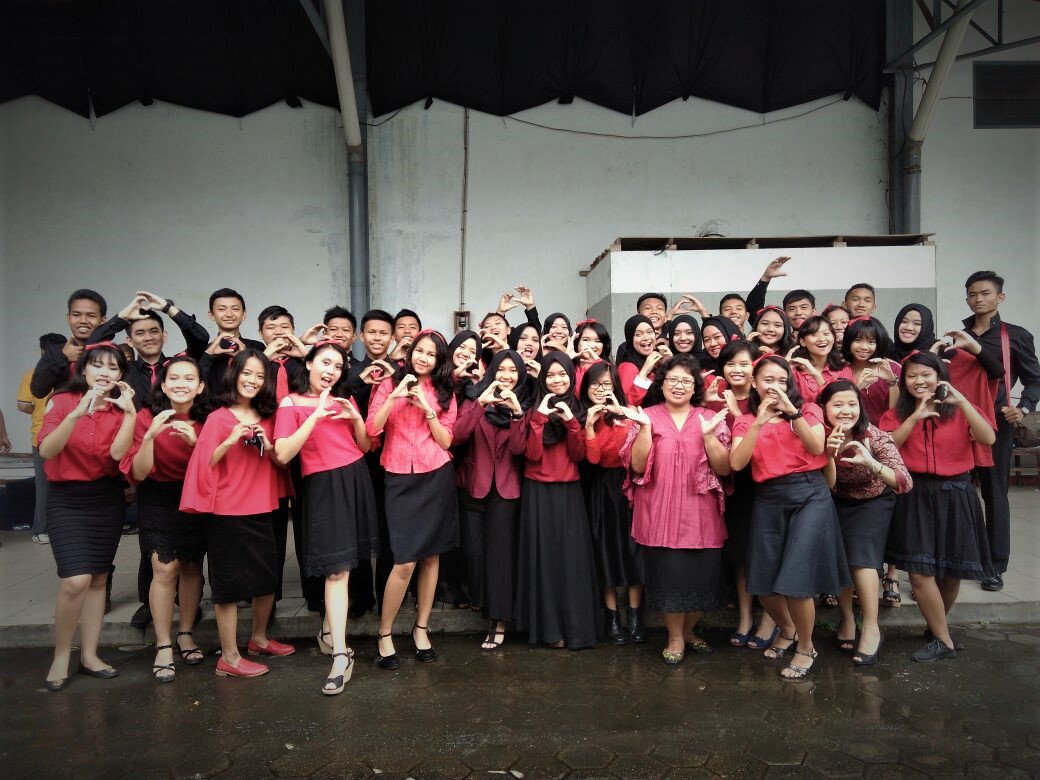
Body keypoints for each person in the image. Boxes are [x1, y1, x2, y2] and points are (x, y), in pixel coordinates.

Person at [730, 355, 848, 680]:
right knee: (763, 581)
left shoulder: (809, 410)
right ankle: (787, 629)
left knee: (797, 581)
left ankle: (806, 646)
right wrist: (758, 422)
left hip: (810, 494)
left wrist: (792, 413)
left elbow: (816, 448)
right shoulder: (744, 420)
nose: (776, 387)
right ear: (754, 383)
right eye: (768, 380)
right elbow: (737, 463)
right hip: (769, 497)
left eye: (782, 381)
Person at [181, 349, 295, 678]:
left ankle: (258, 639)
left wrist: (270, 445)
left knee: (267, 577)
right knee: (228, 585)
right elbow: (203, 464)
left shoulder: (269, 417)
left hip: (264, 505)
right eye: (248, 374)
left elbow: (281, 462)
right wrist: (230, 439)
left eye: (260, 376)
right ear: (235, 375)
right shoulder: (218, 418)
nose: (253, 381)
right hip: (226, 511)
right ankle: (229, 657)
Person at [274, 342, 380, 694]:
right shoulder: (290, 403)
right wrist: (315, 417)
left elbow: (364, 446)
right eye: (325, 363)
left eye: (338, 366)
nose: (331, 370)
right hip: (321, 486)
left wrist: (356, 418)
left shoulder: (344, 400)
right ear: (309, 363)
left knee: (348, 566)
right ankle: (340, 653)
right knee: (336, 569)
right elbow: (283, 452)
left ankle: (327, 633)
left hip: (355, 479)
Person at [879, 351, 996, 661]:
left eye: (926, 374)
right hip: (915, 492)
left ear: (940, 376)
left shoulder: (960, 409)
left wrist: (964, 403)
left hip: (957, 491)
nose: (919, 381)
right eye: (912, 376)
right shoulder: (898, 412)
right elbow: (888, 446)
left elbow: (987, 438)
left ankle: (937, 628)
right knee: (919, 572)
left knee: (951, 571)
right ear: (904, 381)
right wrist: (917, 415)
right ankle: (944, 640)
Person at [38, 342, 137, 691]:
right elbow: (47, 449)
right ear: (84, 369)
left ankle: (90, 655)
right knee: (75, 580)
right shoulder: (62, 401)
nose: (105, 372)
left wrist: (129, 414)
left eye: (113, 368)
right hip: (66, 500)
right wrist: (77, 413)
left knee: (97, 579)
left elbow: (117, 454)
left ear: (121, 376)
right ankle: (61, 654)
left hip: (106, 499)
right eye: (98, 365)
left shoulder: (121, 409)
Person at [625, 355, 729, 665]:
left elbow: (723, 467)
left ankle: (688, 630)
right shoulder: (647, 415)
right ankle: (674, 636)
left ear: (696, 386)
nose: (679, 386)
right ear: (662, 384)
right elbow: (637, 466)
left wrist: (710, 435)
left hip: (701, 510)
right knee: (669, 578)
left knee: (703, 577)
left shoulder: (708, 417)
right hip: (659, 509)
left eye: (686, 380)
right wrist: (644, 430)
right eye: (672, 380)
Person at [366, 330, 459, 669]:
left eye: (431, 354)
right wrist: (394, 397)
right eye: (419, 350)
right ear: (408, 353)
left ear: (439, 361)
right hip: (399, 476)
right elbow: (371, 429)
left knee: (431, 558)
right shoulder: (388, 383)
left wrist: (428, 410)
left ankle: (421, 628)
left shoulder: (446, 392)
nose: (423, 357)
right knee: (404, 561)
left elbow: (447, 442)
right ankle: (385, 632)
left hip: (435, 474)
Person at [124, 356, 209, 683]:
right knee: (164, 568)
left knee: (190, 566)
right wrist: (150, 436)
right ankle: (162, 644)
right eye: (174, 377)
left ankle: (185, 632)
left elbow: (216, 469)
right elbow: (139, 472)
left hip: (194, 494)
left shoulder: (208, 418)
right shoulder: (147, 417)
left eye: (189, 378)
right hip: (157, 495)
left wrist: (195, 442)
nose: (181, 384)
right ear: (163, 382)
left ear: (200, 386)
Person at [821, 380, 912, 666]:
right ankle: (847, 618)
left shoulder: (876, 436)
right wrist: (828, 455)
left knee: (861, 558)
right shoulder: (818, 436)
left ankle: (871, 626)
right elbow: (825, 486)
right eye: (837, 404)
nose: (845, 410)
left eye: (852, 404)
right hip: (836, 499)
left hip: (874, 501)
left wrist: (871, 462)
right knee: (840, 558)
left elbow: (903, 482)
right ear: (824, 408)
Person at [962, 271, 1040, 592]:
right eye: (972, 294)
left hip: (997, 421)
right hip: (960, 422)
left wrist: (1021, 408)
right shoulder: (959, 334)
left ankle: (995, 565)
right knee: (961, 492)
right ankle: (965, 556)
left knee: (994, 492)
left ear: (999, 298)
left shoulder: (1015, 336)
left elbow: (1035, 379)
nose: (978, 299)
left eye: (985, 293)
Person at [515, 351, 598, 649]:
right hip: (537, 493)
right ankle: (549, 630)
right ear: (543, 379)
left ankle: (575, 629)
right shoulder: (532, 411)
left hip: (569, 494)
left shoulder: (579, 410)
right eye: (550, 375)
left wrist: (572, 424)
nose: (557, 379)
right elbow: (533, 455)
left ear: (571, 376)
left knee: (571, 563)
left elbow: (579, 456)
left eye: (562, 374)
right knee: (544, 563)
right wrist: (539, 418)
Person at [451, 350, 529, 650]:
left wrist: (517, 413)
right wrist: (480, 404)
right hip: (475, 486)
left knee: (499, 557)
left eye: (513, 370)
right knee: (474, 553)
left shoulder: (525, 403)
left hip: (507, 491)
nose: (507, 375)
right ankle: (483, 601)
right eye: (501, 369)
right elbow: (456, 436)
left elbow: (522, 450)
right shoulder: (474, 399)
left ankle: (498, 620)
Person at [703, 341, 777, 650]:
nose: (737, 370)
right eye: (731, 364)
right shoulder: (712, 402)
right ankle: (746, 618)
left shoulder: (768, 400)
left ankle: (771, 619)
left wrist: (738, 415)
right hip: (732, 485)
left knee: (767, 552)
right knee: (741, 557)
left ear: (754, 369)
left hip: (765, 482)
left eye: (744, 364)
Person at [580, 362, 645, 645]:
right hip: (600, 487)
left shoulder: (628, 412)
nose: (601, 389)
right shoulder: (585, 415)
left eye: (607, 384)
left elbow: (636, 454)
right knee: (603, 549)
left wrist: (624, 415)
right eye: (595, 384)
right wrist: (589, 425)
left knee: (633, 551)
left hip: (628, 485)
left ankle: (635, 617)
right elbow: (593, 459)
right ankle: (612, 618)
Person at [344, 309, 397, 619]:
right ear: (361, 337)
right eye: (371, 333)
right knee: (360, 529)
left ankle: (389, 593)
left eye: (383, 333)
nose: (377, 338)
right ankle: (361, 596)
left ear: (392, 338)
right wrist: (359, 383)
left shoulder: (402, 372)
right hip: (358, 459)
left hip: (392, 461)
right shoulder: (350, 372)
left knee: (391, 530)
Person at [86, 291, 211, 404]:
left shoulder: (179, 365)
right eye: (140, 333)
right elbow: (91, 345)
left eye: (154, 331)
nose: (148, 338)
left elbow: (200, 339)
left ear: (164, 336)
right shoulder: (123, 370)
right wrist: (122, 317)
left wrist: (168, 309)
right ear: (130, 341)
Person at [18, 333, 67, 544]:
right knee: (50, 487)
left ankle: (46, 531)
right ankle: (42, 529)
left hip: (48, 435)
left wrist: (38, 409)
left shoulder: (33, 373)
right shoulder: (67, 372)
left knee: (46, 486)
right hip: (49, 438)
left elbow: (23, 405)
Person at [31, 289, 108, 398]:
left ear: (103, 320)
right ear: (68, 318)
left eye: (91, 316)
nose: (83, 320)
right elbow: (38, 391)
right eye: (76, 315)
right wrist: (63, 358)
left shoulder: (110, 353)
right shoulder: (55, 351)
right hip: (65, 414)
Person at [199, 288, 265, 396]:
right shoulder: (204, 350)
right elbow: (195, 383)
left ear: (244, 315)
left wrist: (244, 358)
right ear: (211, 315)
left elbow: (265, 382)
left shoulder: (257, 347)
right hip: (211, 410)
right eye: (222, 309)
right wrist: (209, 354)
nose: (229, 314)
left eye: (235, 309)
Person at [840, 317, 899, 425]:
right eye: (858, 340)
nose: (864, 347)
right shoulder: (839, 371)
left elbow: (895, 414)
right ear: (849, 341)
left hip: (887, 434)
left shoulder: (893, 368)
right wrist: (857, 387)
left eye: (871, 342)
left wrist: (892, 382)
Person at [789, 315, 844, 404]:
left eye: (826, 334)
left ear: (833, 338)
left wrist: (816, 375)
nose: (822, 339)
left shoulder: (844, 369)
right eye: (814, 335)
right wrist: (785, 368)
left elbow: (840, 403)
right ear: (803, 341)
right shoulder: (794, 371)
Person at [617, 315, 663, 406]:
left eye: (649, 332)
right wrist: (644, 372)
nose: (646, 338)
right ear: (630, 339)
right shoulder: (627, 367)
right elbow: (627, 404)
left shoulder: (656, 360)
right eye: (638, 334)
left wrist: (671, 362)